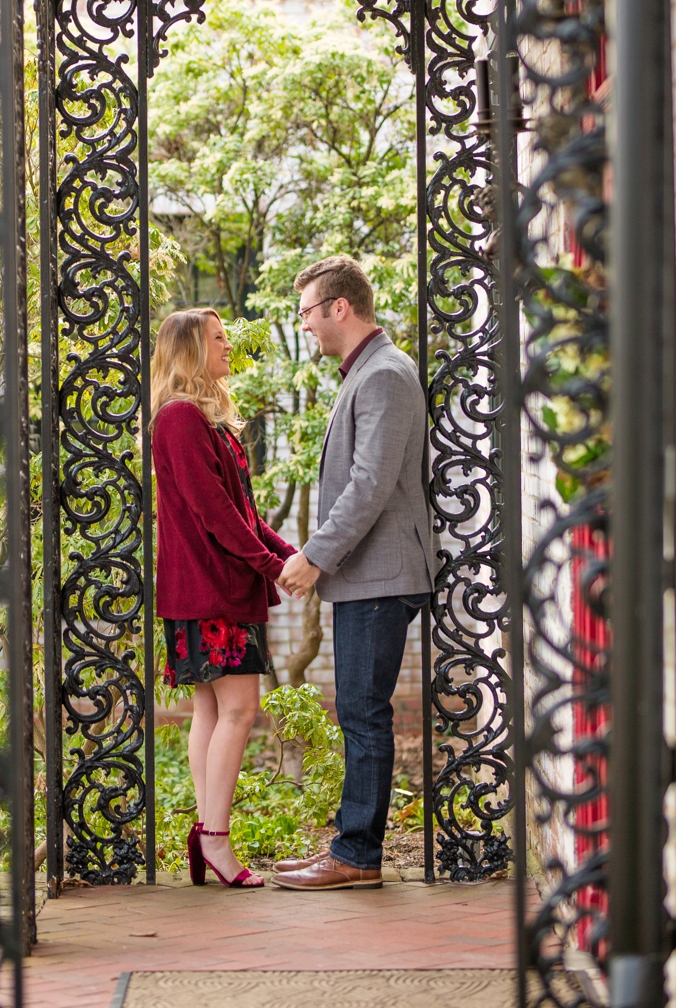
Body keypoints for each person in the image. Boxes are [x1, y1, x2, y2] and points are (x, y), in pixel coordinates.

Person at [272, 255, 429, 891]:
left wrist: (314, 555)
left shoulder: (385, 375)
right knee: (359, 710)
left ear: (341, 307)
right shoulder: (365, 371)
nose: (304, 324)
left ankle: (357, 856)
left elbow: (370, 485)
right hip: (369, 576)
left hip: (380, 575)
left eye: (308, 311)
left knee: (364, 713)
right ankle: (349, 846)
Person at [152, 306, 299, 889]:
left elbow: (244, 514)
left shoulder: (202, 418)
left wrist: (291, 557)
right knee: (237, 710)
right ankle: (214, 837)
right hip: (210, 591)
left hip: (213, 587)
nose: (227, 347)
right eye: (218, 339)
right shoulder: (181, 419)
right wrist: (270, 564)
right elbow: (214, 515)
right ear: (190, 349)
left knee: (213, 711)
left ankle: (209, 833)